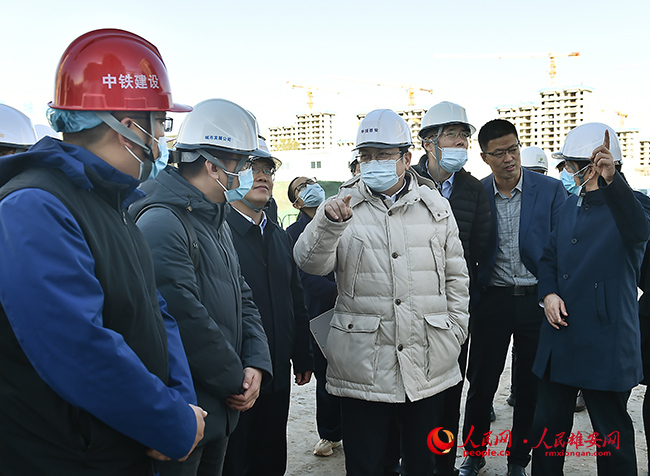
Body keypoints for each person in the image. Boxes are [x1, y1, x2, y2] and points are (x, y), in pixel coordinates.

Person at [0, 29, 206, 475]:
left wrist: (179, 406)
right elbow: (77, 347)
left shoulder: (112, 205)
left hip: (123, 447)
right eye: (160, 123)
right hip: (70, 458)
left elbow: (155, 311)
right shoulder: (34, 207)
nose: (162, 138)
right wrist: (167, 422)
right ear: (127, 127)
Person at [294, 108, 470, 476]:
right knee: (367, 463)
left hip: (427, 358)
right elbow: (309, 262)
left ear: (406, 158)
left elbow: (457, 277)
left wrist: (455, 331)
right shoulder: (342, 206)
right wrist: (329, 225)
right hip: (365, 364)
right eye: (366, 155)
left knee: (423, 463)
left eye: (384, 154)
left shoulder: (436, 206)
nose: (373, 162)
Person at [130, 98, 274, 476]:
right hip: (185, 408)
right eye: (242, 164)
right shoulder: (163, 221)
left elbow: (243, 297)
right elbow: (182, 315)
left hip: (218, 404)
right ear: (212, 166)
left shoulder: (215, 218)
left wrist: (256, 362)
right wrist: (235, 379)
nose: (247, 174)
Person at [530, 123, 650, 475]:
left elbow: (638, 232)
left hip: (605, 341)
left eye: (569, 166)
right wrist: (548, 293)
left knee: (611, 436)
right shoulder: (571, 205)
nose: (566, 173)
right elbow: (549, 258)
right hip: (560, 338)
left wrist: (614, 182)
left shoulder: (633, 206)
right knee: (548, 429)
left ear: (592, 167)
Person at [460, 119, 566, 476]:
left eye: (513, 149)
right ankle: (474, 454)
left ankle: (519, 459)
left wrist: (551, 292)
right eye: (499, 153)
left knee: (529, 387)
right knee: (481, 383)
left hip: (537, 299)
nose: (509, 158)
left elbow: (560, 247)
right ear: (484, 157)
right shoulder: (478, 192)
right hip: (493, 299)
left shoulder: (550, 190)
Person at [412, 101, 491, 476]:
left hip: (453, 312)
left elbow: (481, 248)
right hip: (411, 306)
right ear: (428, 142)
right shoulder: (405, 182)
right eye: (453, 135)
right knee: (411, 392)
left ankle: (442, 464)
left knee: (448, 393)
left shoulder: (474, 190)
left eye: (464, 135)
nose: (461, 142)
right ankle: (411, 460)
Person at [222, 150, 314, 476]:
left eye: (267, 169)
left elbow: (295, 298)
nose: (262, 176)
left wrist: (302, 354)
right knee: (235, 460)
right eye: (251, 168)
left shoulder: (278, 236)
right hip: (238, 377)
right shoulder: (219, 235)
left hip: (277, 372)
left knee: (271, 457)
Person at [286, 177, 342, 457]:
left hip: (353, 307)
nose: (311, 186)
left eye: (312, 181)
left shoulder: (338, 217)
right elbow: (302, 274)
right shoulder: (292, 233)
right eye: (302, 186)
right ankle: (330, 433)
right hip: (319, 311)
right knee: (326, 374)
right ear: (296, 202)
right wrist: (337, 293)